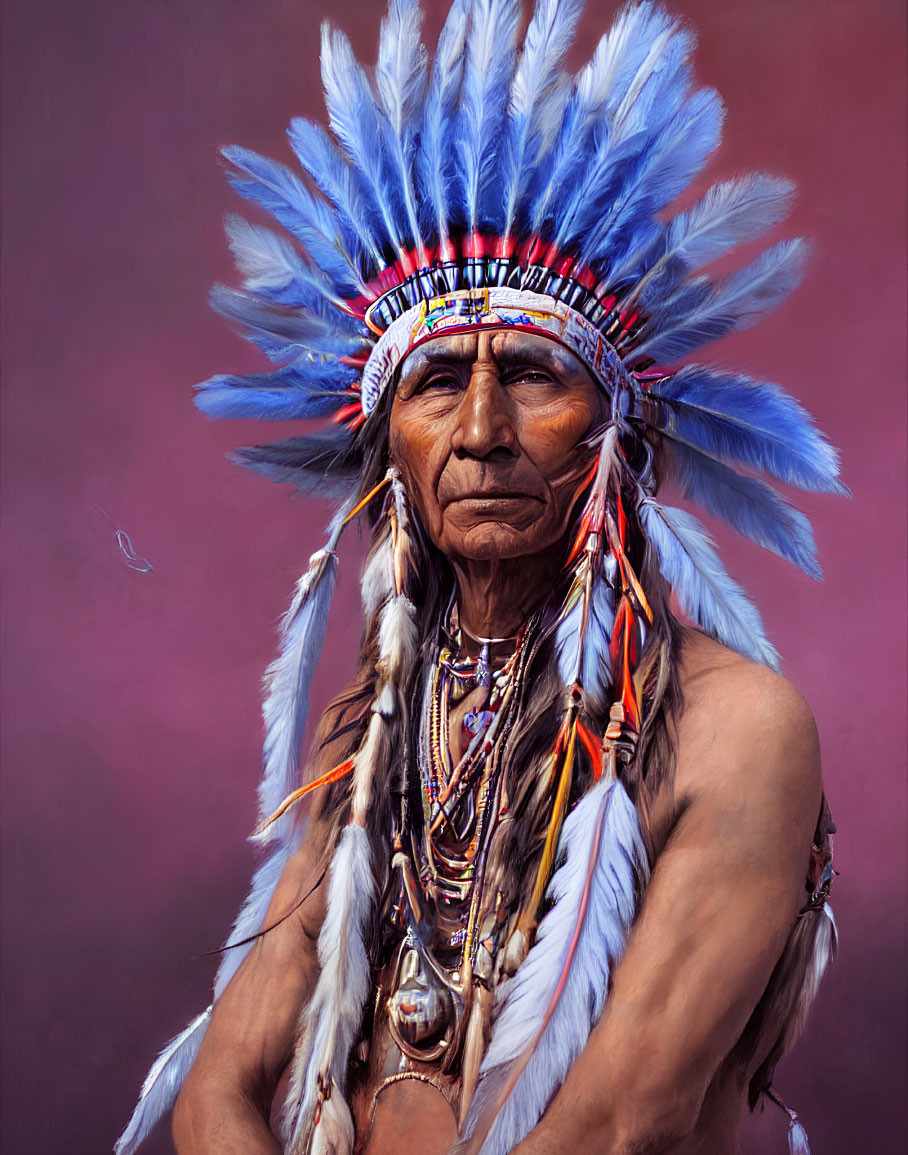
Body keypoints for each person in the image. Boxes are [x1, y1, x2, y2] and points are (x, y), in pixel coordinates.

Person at [117, 2, 842, 1153]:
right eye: (437, 379)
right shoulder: (376, 740)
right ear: (387, 445)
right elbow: (216, 1091)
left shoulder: (737, 732)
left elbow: (616, 1123)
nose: (482, 429)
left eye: (536, 377)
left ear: (618, 432)